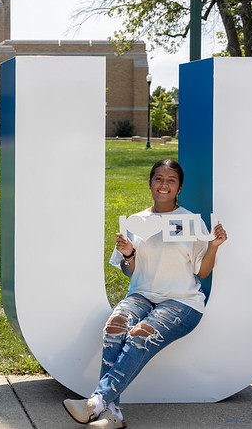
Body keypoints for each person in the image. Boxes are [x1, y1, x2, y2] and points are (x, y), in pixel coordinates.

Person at [63, 159, 228, 428]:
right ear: (150, 183)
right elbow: (129, 272)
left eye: (170, 180)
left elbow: (202, 273)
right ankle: (112, 413)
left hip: (182, 301)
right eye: (158, 178)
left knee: (141, 333)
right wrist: (129, 254)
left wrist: (214, 246)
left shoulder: (191, 222)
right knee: (115, 326)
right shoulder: (136, 221)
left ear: (179, 187)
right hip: (142, 295)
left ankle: (97, 402)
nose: (164, 185)